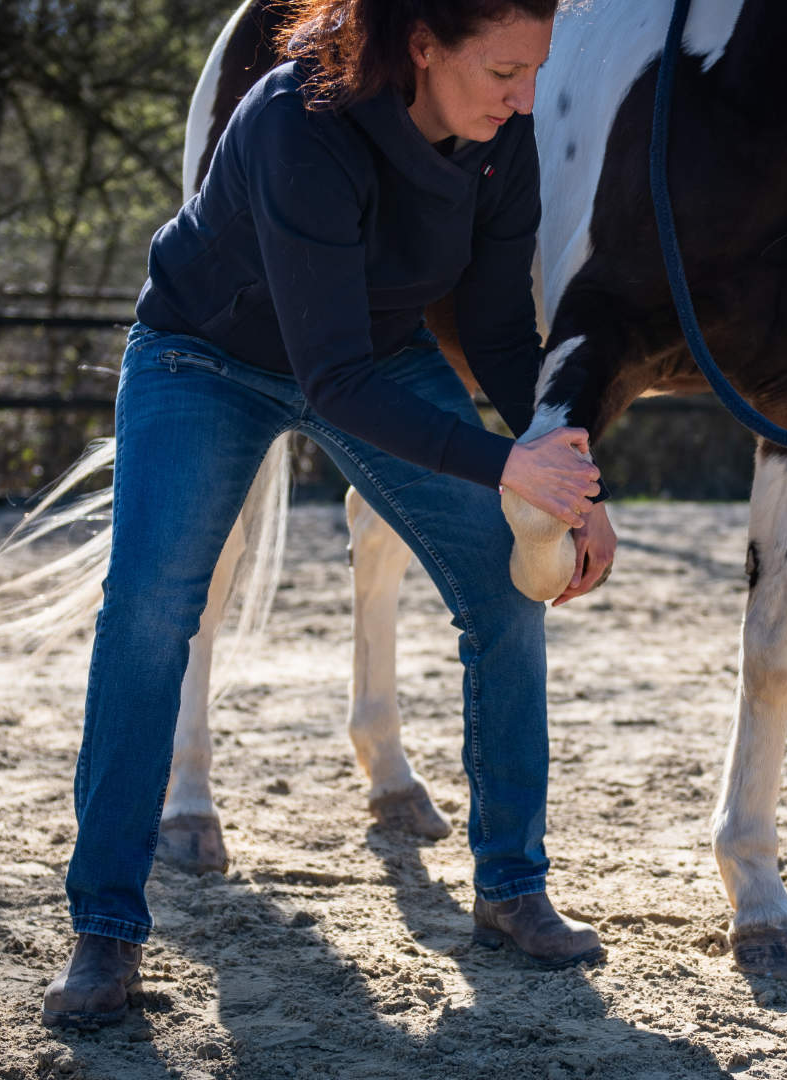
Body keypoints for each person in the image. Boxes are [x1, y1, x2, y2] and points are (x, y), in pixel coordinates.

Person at [42, 0, 614, 1028]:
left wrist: (573, 477)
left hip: (375, 355)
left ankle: (511, 887)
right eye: (504, 72)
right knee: (149, 609)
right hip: (203, 356)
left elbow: (494, 328)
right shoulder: (293, 120)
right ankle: (106, 927)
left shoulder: (502, 137)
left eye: (535, 71)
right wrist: (511, 464)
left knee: (505, 587)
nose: (526, 98)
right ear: (424, 45)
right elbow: (331, 378)